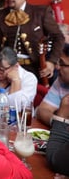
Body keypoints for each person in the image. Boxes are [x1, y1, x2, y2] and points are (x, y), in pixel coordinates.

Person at [0, 0, 65, 82]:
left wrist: (51, 62)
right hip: (3, 69)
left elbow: (59, 37)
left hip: (33, 68)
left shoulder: (40, 13)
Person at [36, 45, 69, 176]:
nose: (57, 67)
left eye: (62, 64)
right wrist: (60, 121)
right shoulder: (61, 81)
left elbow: (56, 161)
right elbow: (42, 110)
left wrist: (61, 120)